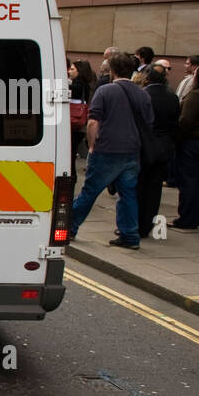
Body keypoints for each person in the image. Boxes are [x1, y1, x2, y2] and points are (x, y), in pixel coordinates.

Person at [69, 51, 153, 249]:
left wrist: (91, 145)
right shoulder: (143, 93)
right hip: (132, 150)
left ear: (112, 70)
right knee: (128, 194)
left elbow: (93, 121)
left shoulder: (106, 91)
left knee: (89, 191)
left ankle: (70, 227)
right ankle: (130, 236)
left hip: (106, 149)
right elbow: (149, 122)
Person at [138, 64, 179, 238]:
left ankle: (137, 224)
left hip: (145, 146)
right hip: (164, 147)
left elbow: (140, 122)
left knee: (139, 187)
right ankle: (148, 224)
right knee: (155, 189)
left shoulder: (144, 95)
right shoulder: (173, 97)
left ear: (147, 79)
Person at [173, 62, 199, 230]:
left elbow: (185, 121)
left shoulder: (196, 96)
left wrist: (177, 138)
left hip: (193, 141)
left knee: (188, 179)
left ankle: (187, 218)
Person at [68, 59, 96, 192]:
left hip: (74, 124)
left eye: (72, 69)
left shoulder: (78, 85)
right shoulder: (85, 84)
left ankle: (70, 181)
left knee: (71, 154)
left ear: (79, 71)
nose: (69, 71)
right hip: (78, 125)